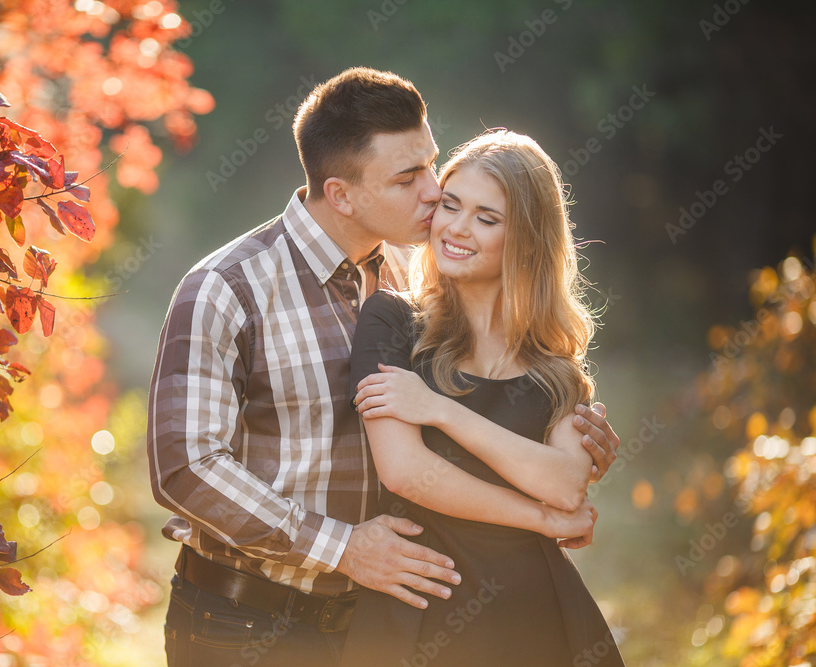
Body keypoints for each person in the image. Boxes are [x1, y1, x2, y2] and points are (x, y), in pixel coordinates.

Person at [147, 68, 621, 667]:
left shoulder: (419, 278)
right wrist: (342, 548)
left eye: (430, 164)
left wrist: (561, 463)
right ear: (342, 194)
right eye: (408, 178)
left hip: (381, 620)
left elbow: (478, 414)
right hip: (249, 619)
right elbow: (186, 469)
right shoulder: (226, 288)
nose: (433, 191)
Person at [339, 129, 626, 666]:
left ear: (526, 239)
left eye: (486, 218)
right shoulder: (391, 321)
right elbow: (403, 471)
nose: (457, 228)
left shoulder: (552, 364)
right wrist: (540, 519)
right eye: (451, 205)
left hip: (533, 617)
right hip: (419, 609)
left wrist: (438, 409)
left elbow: (566, 486)